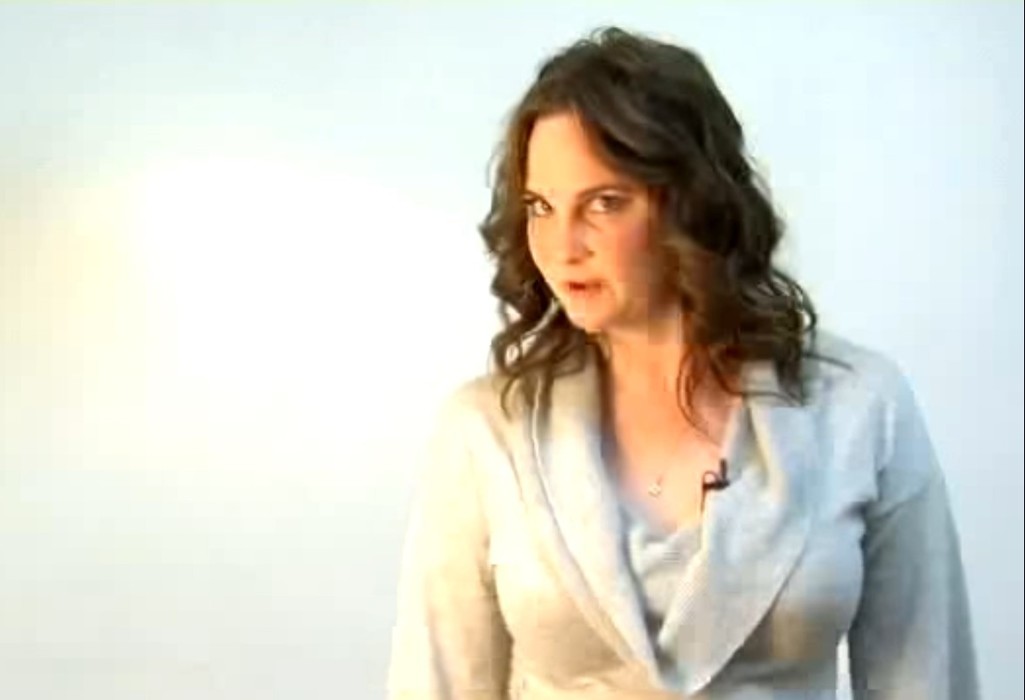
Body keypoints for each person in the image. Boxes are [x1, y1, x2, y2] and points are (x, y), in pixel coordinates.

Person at [386, 26, 979, 700]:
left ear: (692, 203)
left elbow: (929, 681)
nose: (561, 245)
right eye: (540, 207)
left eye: (603, 203)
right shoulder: (485, 429)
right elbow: (435, 686)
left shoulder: (860, 408)